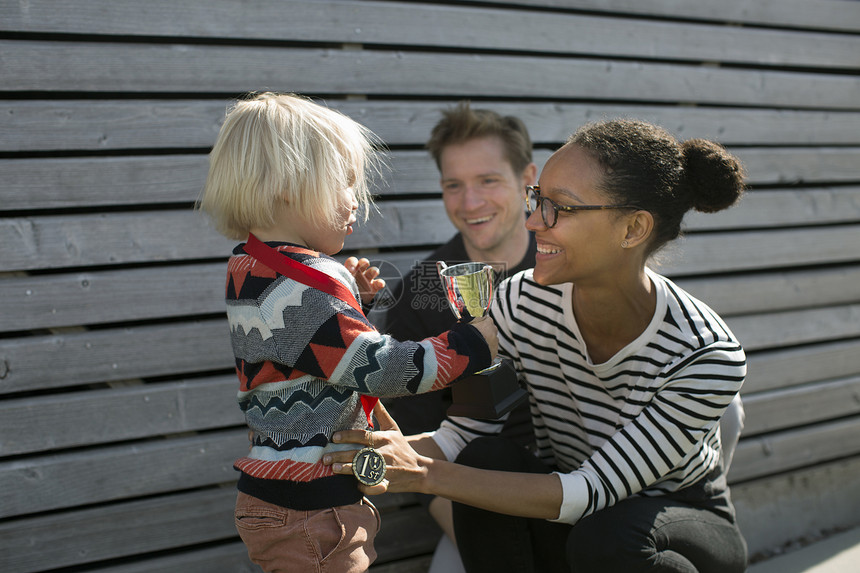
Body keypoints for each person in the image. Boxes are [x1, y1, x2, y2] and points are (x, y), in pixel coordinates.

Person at [327, 118, 750, 572]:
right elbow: (463, 436)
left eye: (560, 208)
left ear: (632, 230)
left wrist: (425, 474)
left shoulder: (708, 353)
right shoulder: (515, 299)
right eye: (538, 202)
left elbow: (588, 492)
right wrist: (359, 455)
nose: (533, 221)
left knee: (610, 536)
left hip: (671, 526)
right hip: (569, 511)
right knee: (485, 458)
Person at [196, 92, 499, 573]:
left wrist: (348, 299)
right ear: (290, 185)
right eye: (345, 185)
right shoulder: (297, 289)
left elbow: (305, 352)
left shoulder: (254, 268)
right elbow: (386, 371)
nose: (357, 201)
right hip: (312, 509)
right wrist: (480, 339)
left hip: (289, 498)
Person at [380, 102, 538, 571]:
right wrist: (495, 551)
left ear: (528, 179)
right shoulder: (419, 294)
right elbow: (414, 444)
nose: (470, 203)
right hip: (479, 495)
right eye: (454, 185)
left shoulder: (567, 265)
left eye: (488, 180)